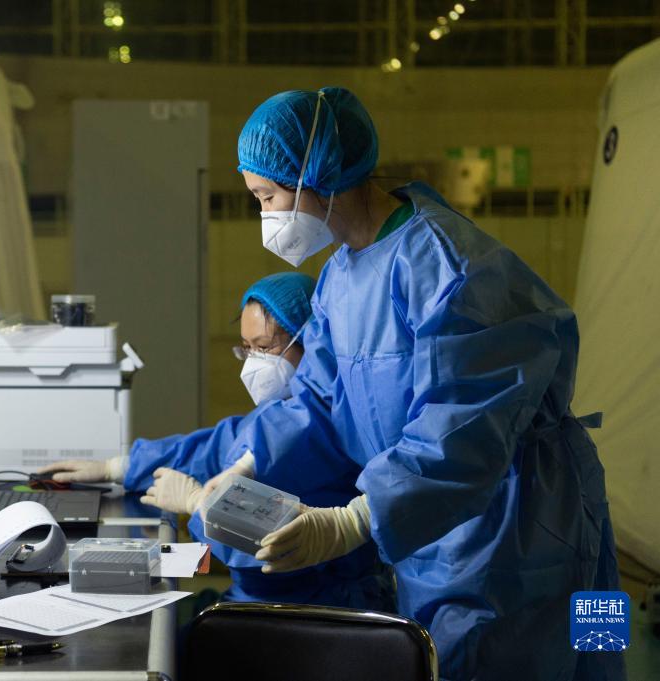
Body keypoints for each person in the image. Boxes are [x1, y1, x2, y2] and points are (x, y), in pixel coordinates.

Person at [210, 86, 623, 681]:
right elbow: (318, 399)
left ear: (316, 176)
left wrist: (354, 520)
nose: (266, 218)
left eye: (267, 197)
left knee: (562, 648)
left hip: (522, 519)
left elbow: (461, 429)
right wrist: (249, 461)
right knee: (443, 658)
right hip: (435, 522)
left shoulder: (449, 265)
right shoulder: (341, 276)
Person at [39, 272, 395, 610]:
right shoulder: (276, 414)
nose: (252, 362)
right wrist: (119, 467)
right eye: (246, 349)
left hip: (304, 612)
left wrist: (197, 502)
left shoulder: (330, 427)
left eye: (264, 347)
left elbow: (270, 547)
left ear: (312, 346)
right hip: (259, 604)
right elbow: (211, 448)